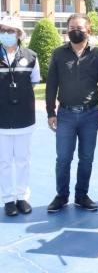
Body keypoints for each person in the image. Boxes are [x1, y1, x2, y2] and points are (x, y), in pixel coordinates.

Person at [46, 13, 98, 213]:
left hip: (90, 115)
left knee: (86, 158)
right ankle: (61, 196)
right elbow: (51, 84)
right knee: (63, 159)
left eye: (79, 28)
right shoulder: (58, 53)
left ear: (88, 30)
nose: (75, 31)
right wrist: (50, 112)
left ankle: (81, 195)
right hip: (65, 115)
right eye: (72, 28)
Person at [0, 17, 40, 216]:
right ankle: (8, 199)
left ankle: (22, 197)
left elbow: (34, 81)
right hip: (1, 118)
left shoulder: (31, 56)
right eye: (3, 30)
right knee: (4, 162)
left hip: (24, 116)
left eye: (11, 30)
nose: (6, 34)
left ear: (19, 34)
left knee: (23, 160)